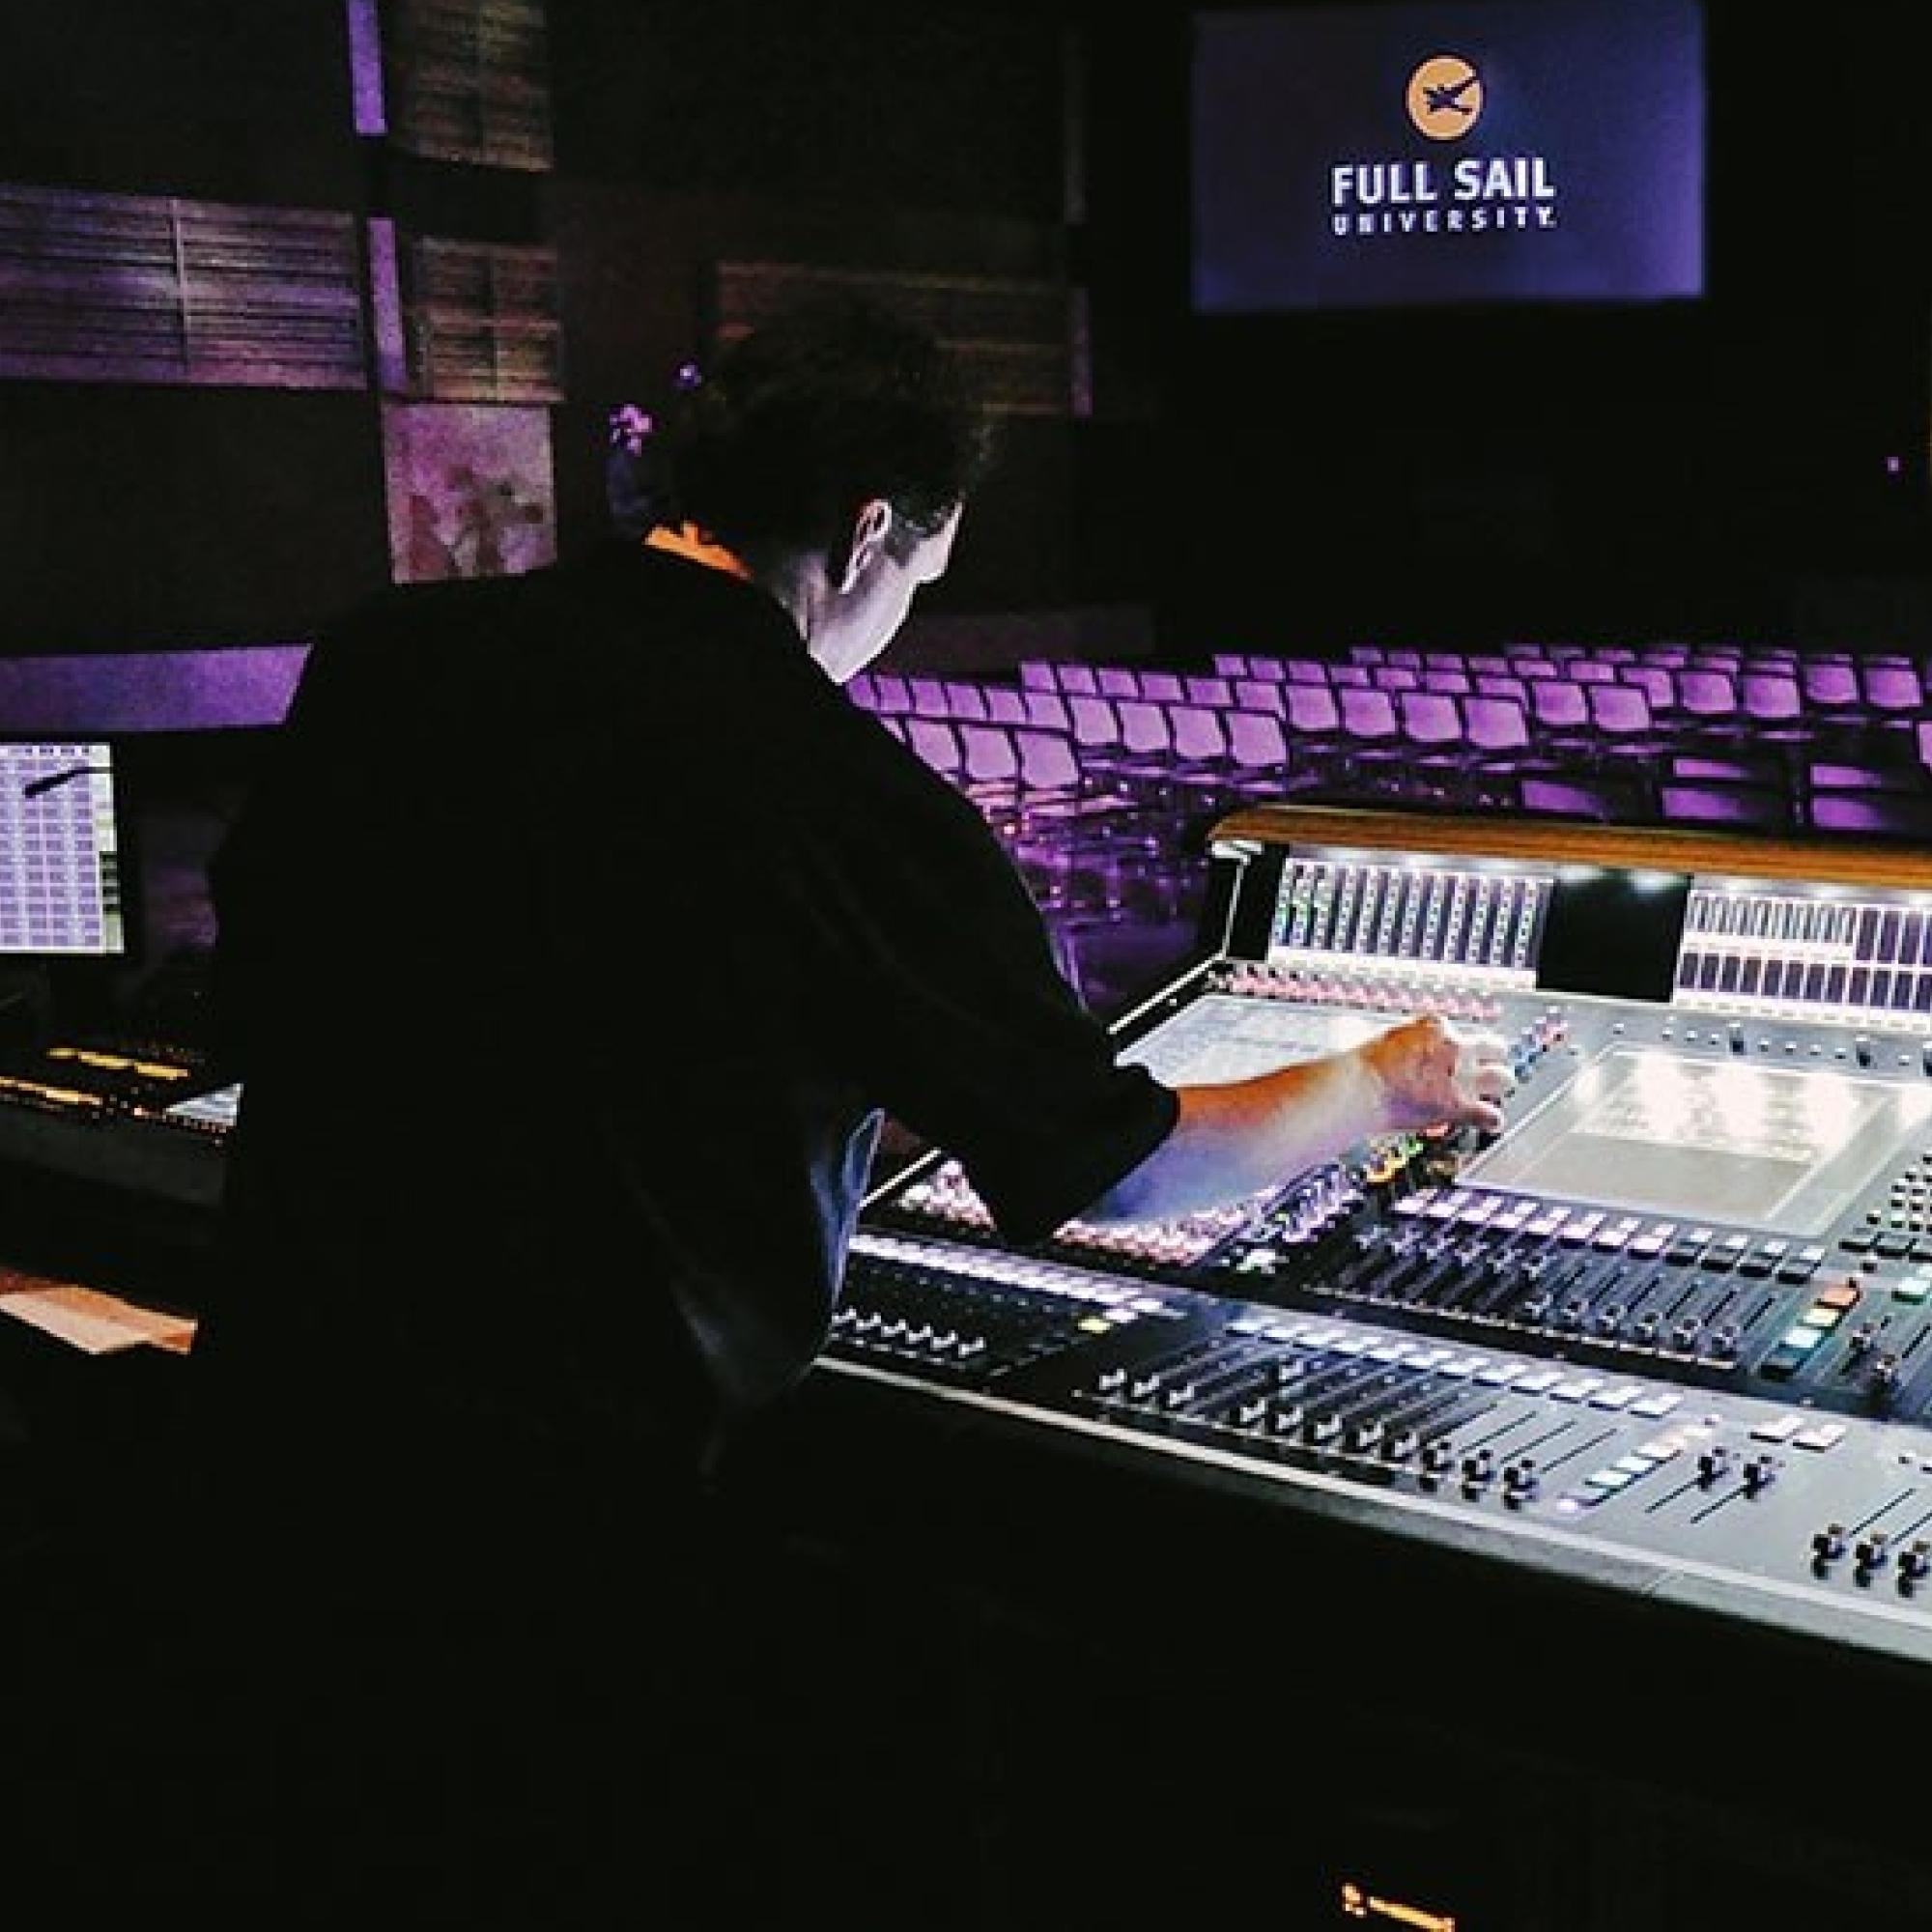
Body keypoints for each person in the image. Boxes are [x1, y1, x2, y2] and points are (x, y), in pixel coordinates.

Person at [156, 292, 1514, 1927]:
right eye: (930, 566)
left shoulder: (389, 654)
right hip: (555, 1570)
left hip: (273, 1479)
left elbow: (278, 990)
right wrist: (1375, 1081)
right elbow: (1115, 1164)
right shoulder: (834, 787)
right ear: (872, 528)